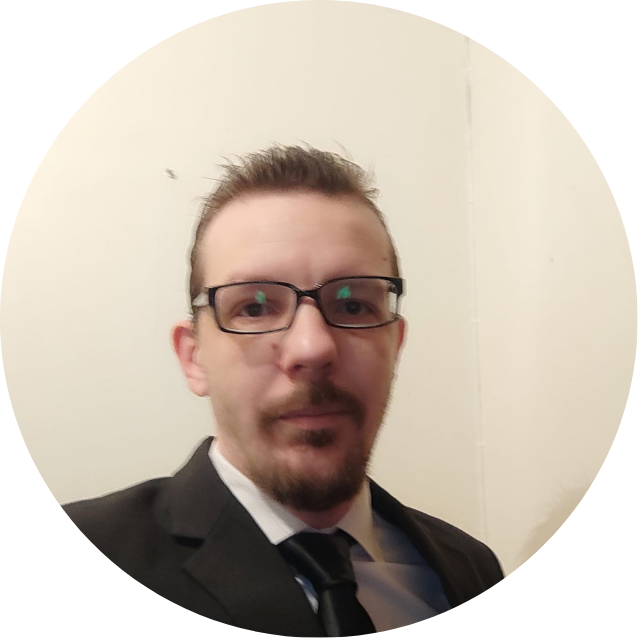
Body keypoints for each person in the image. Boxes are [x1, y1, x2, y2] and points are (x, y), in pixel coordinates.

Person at [63, 145, 504, 634]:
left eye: (353, 305)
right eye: (253, 308)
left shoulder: (471, 570)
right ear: (194, 358)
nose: (312, 347)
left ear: (394, 345)